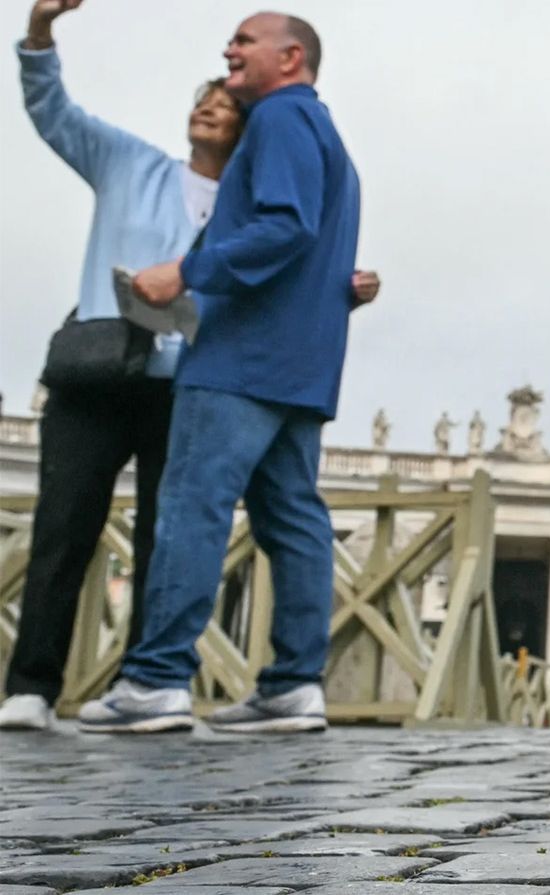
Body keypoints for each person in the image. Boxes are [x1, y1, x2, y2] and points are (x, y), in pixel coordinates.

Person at [0, 1, 375, 731]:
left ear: (290, 57)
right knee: (293, 516)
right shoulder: (331, 141)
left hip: (237, 358)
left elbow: (282, 228)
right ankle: (294, 683)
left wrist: (187, 270)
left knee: (190, 509)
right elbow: (311, 248)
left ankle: (156, 677)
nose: (229, 51)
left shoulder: (277, 120)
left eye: (244, 40)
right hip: (301, 366)